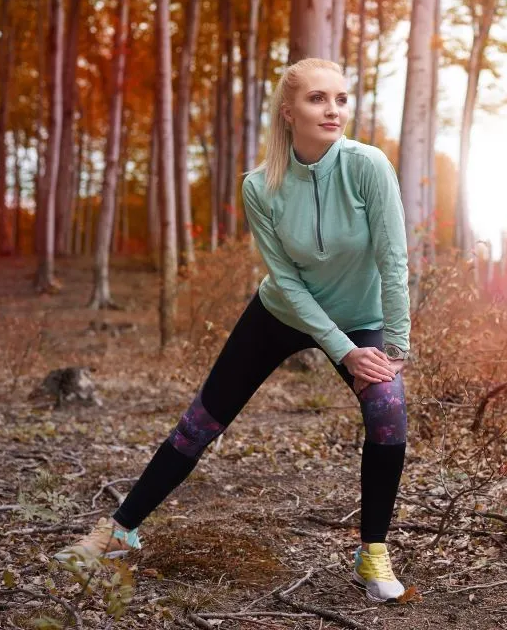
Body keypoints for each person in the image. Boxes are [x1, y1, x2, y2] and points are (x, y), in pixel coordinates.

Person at [55, 57, 412, 604]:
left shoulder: (368, 166)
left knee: (387, 410)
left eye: (341, 98)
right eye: (318, 99)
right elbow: (286, 281)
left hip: (361, 317)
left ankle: (373, 552)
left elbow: (393, 259)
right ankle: (119, 532)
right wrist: (341, 351)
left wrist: (395, 349)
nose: (333, 109)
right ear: (288, 112)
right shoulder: (260, 186)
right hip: (281, 313)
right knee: (202, 420)